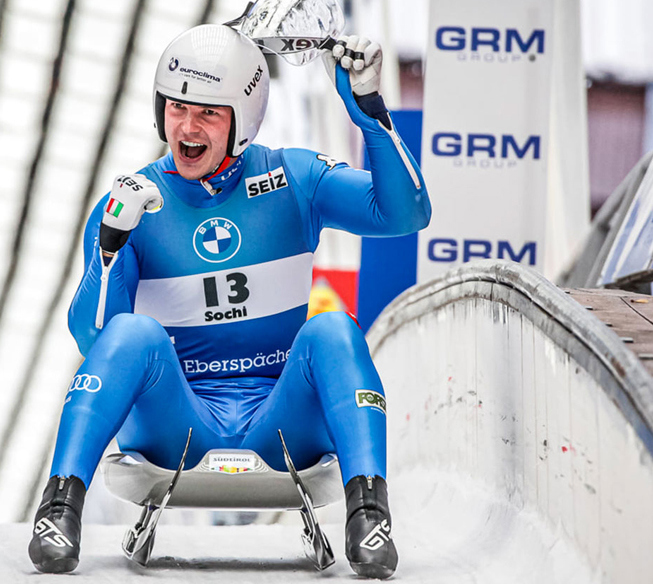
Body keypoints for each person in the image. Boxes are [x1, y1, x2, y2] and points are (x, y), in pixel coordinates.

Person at [28, 23, 430, 578]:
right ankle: (57, 509)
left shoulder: (294, 177)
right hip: (177, 422)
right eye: (175, 108)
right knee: (135, 332)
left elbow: (405, 214)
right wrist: (109, 250)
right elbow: (97, 341)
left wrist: (369, 111)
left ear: (244, 119)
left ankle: (370, 513)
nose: (186, 128)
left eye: (208, 113)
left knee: (333, 327)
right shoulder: (132, 203)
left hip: (279, 418)